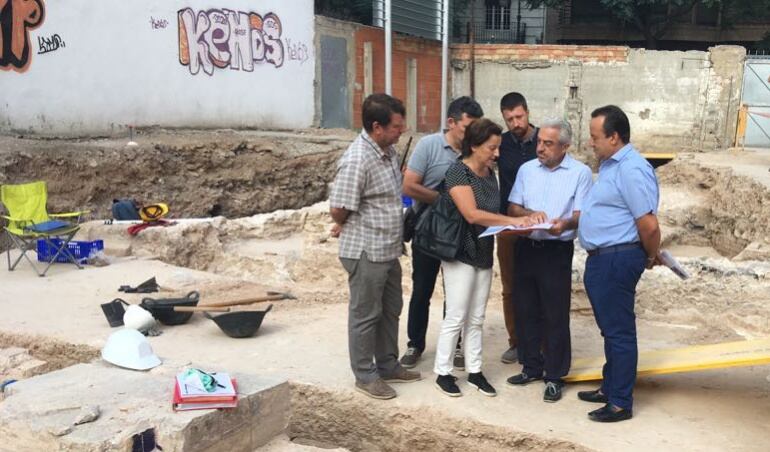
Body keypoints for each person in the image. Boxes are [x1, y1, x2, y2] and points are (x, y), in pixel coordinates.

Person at [329, 93, 421, 400]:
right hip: (366, 249)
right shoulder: (357, 159)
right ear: (377, 126)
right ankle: (365, 375)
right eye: (396, 126)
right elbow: (339, 208)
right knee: (366, 314)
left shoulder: (389, 151)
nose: (401, 130)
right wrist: (344, 221)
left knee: (391, 308)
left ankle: (387, 364)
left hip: (388, 247)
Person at [433, 118, 531, 398]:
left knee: (477, 317)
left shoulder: (490, 174)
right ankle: (444, 371)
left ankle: (475, 371)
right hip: (460, 253)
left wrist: (520, 219)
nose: (497, 154)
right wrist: (509, 221)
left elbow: (491, 211)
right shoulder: (457, 173)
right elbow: (473, 214)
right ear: (474, 146)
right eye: (491, 148)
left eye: (498, 147)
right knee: (456, 315)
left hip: (484, 252)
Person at [577, 105, 661, 422]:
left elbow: (649, 225)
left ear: (614, 137)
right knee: (611, 331)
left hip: (617, 258)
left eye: (595, 136)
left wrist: (651, 256)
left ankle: (620, 402)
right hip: (605, 258)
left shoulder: (632, 169)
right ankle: (609, 387)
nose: (590, 142)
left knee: (620, 333)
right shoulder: (612, 165)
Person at [504, 118, 592, 403]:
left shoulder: (580, 173)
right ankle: (531, 367)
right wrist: (529, 214)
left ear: (565, 147)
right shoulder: (527, 170)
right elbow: (513, 206)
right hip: (526, 246)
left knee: (554, 314)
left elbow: (580, 215)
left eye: (548, 144)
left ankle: (554, 375)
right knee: (525, 308)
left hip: (556, 251)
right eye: (539, 141)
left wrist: (563, 225)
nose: (539, 148)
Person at [400, 96, 484, 370]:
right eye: (467, 127)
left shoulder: (475, 153)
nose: (472, 134)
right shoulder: (429, 146)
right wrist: (443, 200)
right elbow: (409, 186)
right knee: (422, 289)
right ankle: (415, 344)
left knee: (456, 293)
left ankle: (456, 346)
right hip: (429, 231)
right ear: (451, 122)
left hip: (461, 234)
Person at [496, 92, 539, 365]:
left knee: (539, 285)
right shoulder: (500, 144)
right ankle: (516, 342)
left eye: (519, 116)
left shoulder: (543, 140)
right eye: (509, 119)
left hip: (539, 225)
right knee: (510, 287)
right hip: (508, 226)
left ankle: (541, 341)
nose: (515, 123)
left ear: (527, 112)